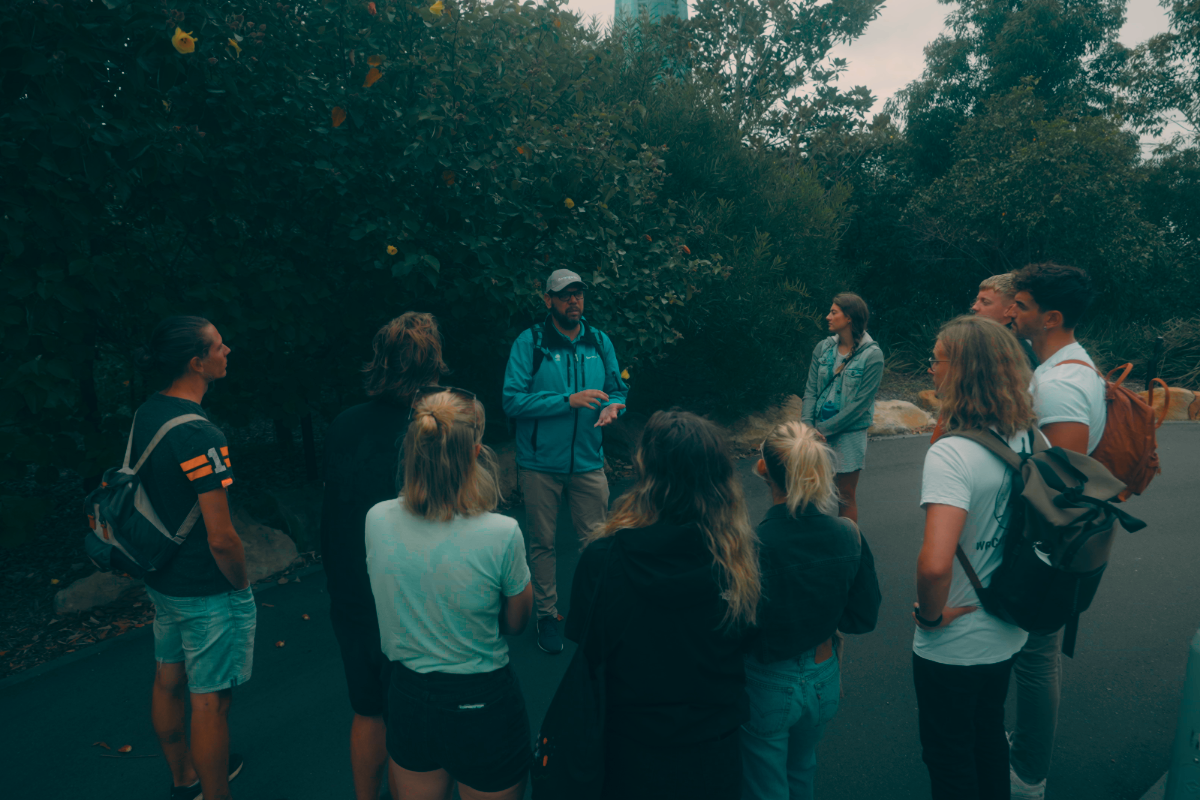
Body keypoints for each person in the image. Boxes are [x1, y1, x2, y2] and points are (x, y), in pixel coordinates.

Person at [564, 410, 761, 800]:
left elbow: (589, 647)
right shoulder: (741, 560)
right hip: (714, 748)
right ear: (720, 479)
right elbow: (750, 640)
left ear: (645, 473)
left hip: (629, 749)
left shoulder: (603, 560)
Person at [365, 389, 534, 800]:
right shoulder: (501, 533)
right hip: (479, 700)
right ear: (475, 453)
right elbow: (516, 623)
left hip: (407, 696)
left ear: (412, 449)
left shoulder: (377, 518)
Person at [320, 312, 448, 800]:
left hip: (351, 589)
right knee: (413, 715)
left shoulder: (342, 425)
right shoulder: (430, 430)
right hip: (411, 595)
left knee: (367, 709)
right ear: (432, 364)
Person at [913, 314, 1036, 800]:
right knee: (988, 740)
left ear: (961, 369)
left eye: (936, 360)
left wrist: (929, 616)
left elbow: (935, 563)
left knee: (948, 757)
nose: (930, 370)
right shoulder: (1029, 438)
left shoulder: (952, 454)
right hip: (1008, 625)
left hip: (955, 641)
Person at [134, 316, 252, 800]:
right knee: (211, 703)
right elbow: (221, 536)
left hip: (160, 576)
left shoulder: (148, 413)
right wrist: (241, 584)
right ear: (196, 362)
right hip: (204, 587)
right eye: (219, 347)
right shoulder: (202, 436)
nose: (229, 352)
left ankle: (184, 777)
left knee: (168, 678)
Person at [1007, 262, 1107, 800]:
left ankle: (1027, 776)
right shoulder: (1066, 368)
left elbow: (1062, 482)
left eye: (1019, 305)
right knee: (1033, 654)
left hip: (1050, 541)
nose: (1012, 313)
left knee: (1036, 657)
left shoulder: (1063, 385)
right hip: (1048, 538)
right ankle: (1026, 760)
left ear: (1051, 317)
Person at [742, 421, 882, 800]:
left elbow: (735, 628)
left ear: (763, 470)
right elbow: (862, 617)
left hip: (768, 680)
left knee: (765, 784)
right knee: (802, 770)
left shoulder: (749, 545)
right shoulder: (847, 534)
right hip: (824, 677)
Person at [502, 268, 628, 654]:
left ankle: (594, 611)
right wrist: (565, 402)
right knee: (542, 544)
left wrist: (614, 408)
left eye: (578, 293)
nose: (573, 300)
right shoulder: (531, 342)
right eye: (564, 294)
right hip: (540, 464)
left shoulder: (599, 340)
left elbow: (618, 389)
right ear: (548, 300)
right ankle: (547, 616)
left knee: (597, 542)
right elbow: (511, 400)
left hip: (589, 461)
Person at [800, 292, 884, 523]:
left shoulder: (872, 355)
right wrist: (807, 427)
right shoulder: (823, 349)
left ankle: (849, 548)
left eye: (833, 312)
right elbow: (810, 391)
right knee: (808, 493)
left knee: (844, 496)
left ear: (849, 317)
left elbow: (861, 405)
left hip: (849, 434)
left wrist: (823, 430)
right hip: (815, 433)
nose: (827, 316)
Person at [971, 273, 1038, 367]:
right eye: (976, 300)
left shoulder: (1009, 350)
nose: (975, 307)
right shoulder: (987, 340)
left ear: (1012, 309)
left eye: (985, 302)